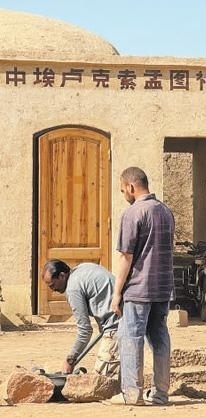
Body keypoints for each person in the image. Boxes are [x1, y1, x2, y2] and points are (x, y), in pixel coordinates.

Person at [110, 166, 175, 406]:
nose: (123, 195)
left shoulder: (133, 213)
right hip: (163, 288)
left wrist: (117, 293)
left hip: (138, 288)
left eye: (122, 190)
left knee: (131, 338)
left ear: (131, 186)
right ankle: (161, 393)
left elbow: (126, 257)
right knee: (160, 339)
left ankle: (132, 393)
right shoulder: (165, 211)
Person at [41, 260, 120, 377]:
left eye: (53, 285)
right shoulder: (83, 268)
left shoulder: (73, 289)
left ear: (62, 276)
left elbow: (85, 330)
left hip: (116, 326)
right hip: (124, 319)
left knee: (102, 381)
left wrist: (70, 360)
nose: (52, 290)